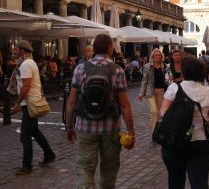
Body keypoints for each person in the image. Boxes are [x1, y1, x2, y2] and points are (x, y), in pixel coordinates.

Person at [65, 34, 135, 188]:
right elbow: (124, 105)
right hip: (110, 128)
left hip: (84, 126)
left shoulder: (80, 68)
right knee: (109, 169)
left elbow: (71, 102)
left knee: (84, 168)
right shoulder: (117, 70)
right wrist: (131, 131)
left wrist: (69, 126)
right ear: (110, 49)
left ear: (94, 49)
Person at [160, 56, 209, 189]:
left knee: (175, 181)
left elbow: (163, 114)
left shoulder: (173, 89)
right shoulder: (208, 91)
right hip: (200, 142)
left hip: (174, 142)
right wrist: (198, 124)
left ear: (183, 71)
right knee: (199, 182)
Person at [13, 40, 56, 175]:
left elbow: (26, 86)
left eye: (16, 49)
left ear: (23, 51)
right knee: (34, 131)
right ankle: (49, 154)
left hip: (30, 103)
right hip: (32, 101)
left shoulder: (26, 64)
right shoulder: (31, 63)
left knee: (25, 136)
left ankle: (27, 166)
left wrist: (17, 102)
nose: (14, 51)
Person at [139, 49, 167, 133]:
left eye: (159, 55)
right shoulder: (148, 66)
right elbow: (144, 80)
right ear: (152, 57)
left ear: (161, 57)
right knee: (153, 110)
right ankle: (154, 132)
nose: (157, 57)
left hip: (161, 91)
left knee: (159, 112)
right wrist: (141, 93)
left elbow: (168, 79)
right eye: (156, 55)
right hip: (150, 91)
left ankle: (157, 130)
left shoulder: (165, 66)